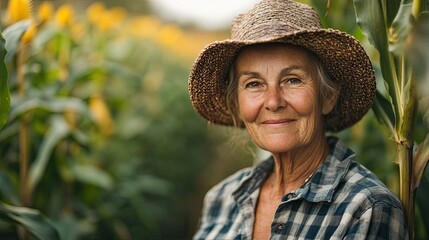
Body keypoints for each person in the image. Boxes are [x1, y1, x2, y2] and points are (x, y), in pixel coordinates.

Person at [188, 0, 408, 239]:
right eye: (254, 84)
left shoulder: (366, 209)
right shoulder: (222, 199)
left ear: (327, 98)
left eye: (292, 80)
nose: (273, 101)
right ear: (238, 105)